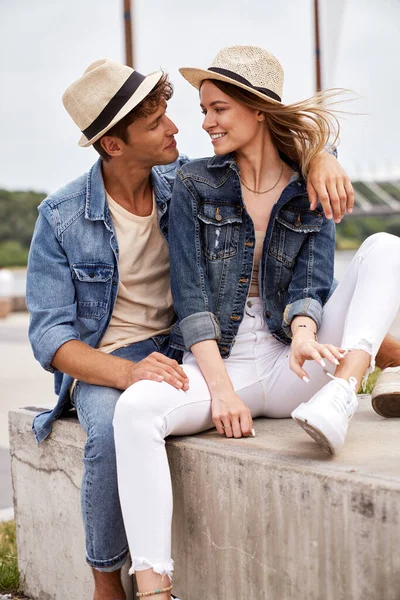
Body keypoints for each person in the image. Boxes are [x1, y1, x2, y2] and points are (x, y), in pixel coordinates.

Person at [26, 56, 353, 600]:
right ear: (114, 144)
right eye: (155, 123)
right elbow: (51, 339)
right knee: (108, 432)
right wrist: (126, 373)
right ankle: (107, 582)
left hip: (184, 343)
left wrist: (322, 158)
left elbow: (262, 150)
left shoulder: (183, 182)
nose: (178, 127)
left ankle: (383, 353)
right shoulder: (61, 217)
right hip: (111, 358)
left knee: (310, 284)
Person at [112, 46, 400, 599]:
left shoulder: (306, 184)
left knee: (385, 247)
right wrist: (220, 392)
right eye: (203, 110)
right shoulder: (195, 183)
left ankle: (343, 393)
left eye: (218, 109)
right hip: (224, 362)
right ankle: (153, 588)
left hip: (294, 361)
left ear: (258, 110)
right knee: (135, 411)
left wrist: (304, 333)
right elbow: (191, 294)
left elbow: (313, 280)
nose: (205, 123)